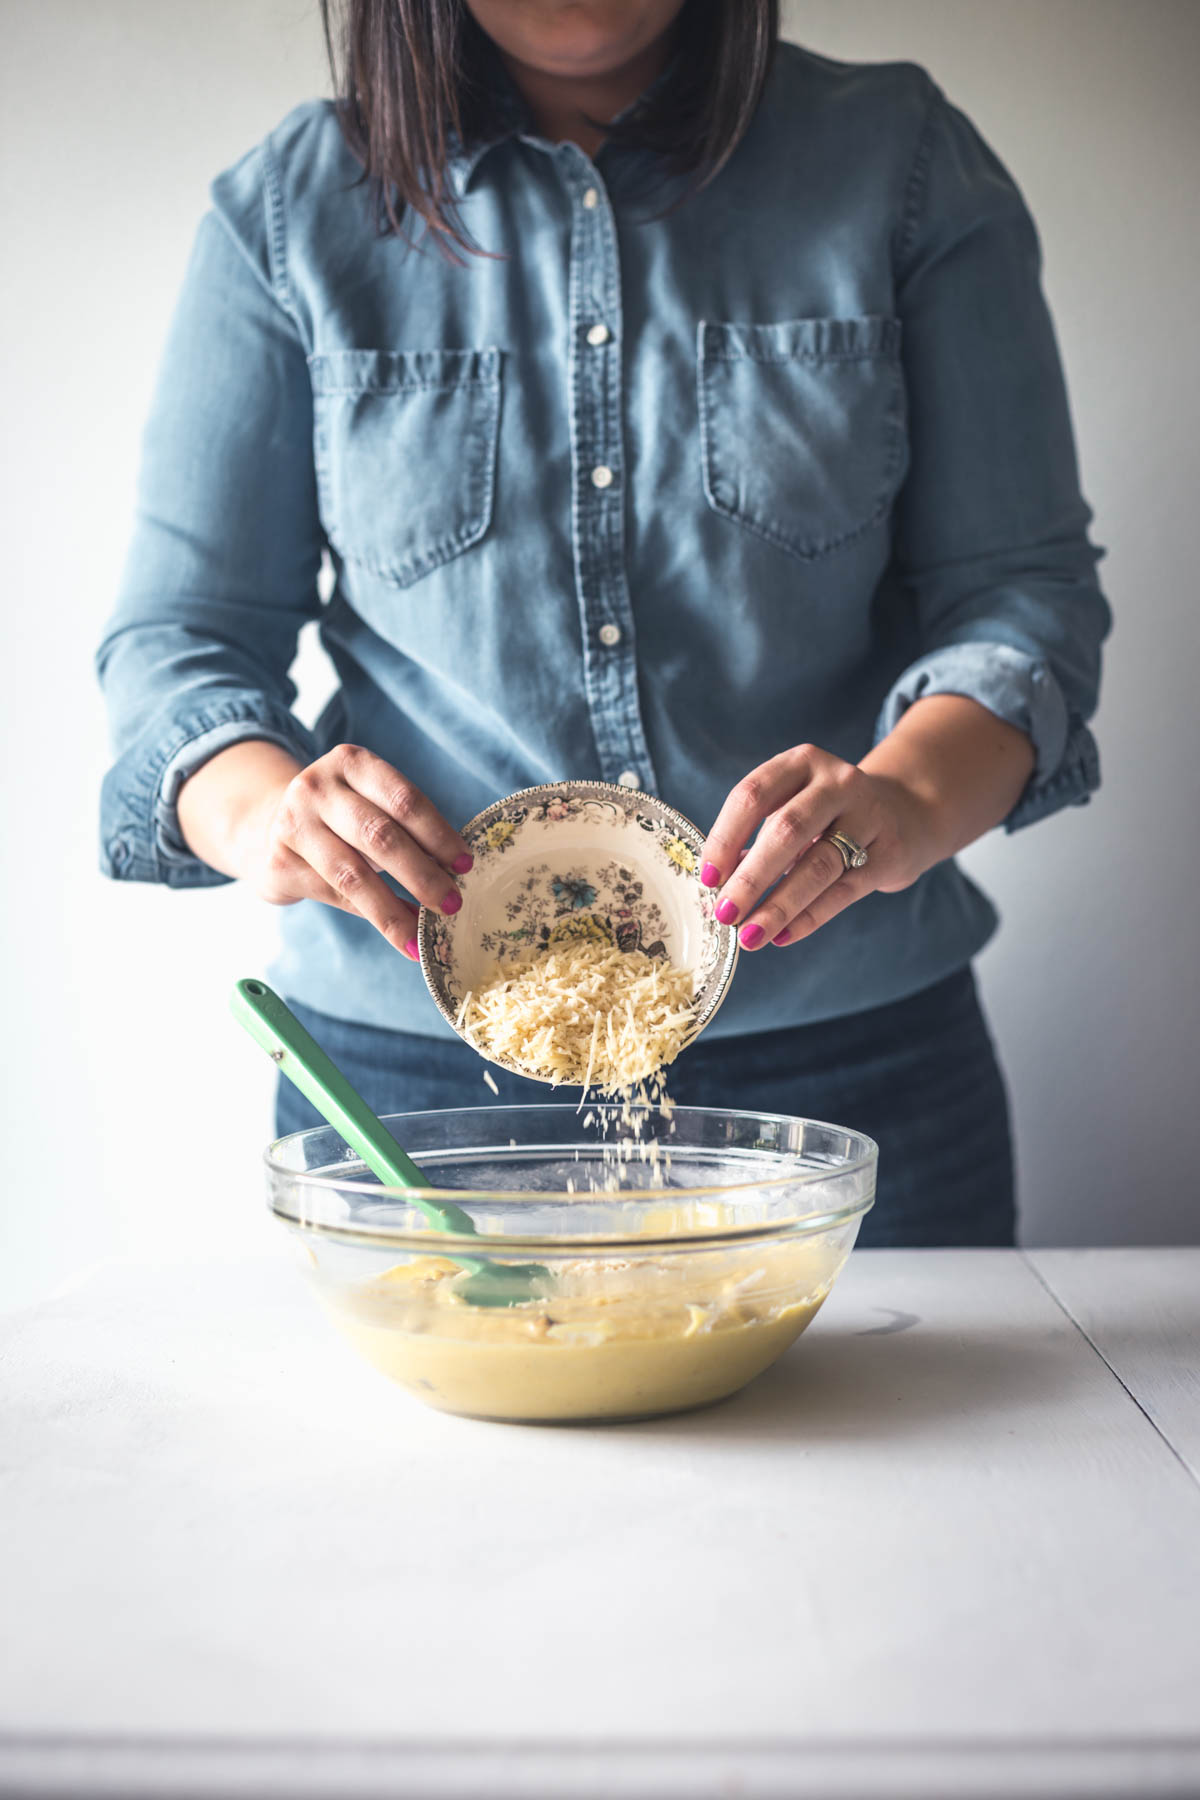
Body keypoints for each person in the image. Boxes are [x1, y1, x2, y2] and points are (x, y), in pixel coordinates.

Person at [96, 0, 1110, 1247]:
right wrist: (266, 814)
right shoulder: (287, 209)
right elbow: (180, 640)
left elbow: (1021, 598)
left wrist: (902, 802)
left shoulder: (899, 161)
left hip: (851, 1066)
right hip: (422, 1097)